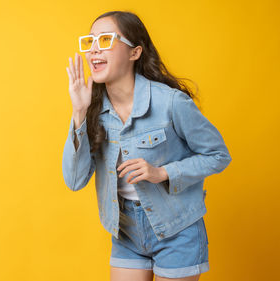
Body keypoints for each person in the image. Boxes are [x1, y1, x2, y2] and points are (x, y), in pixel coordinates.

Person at [62, 10, 232, 281]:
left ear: (135, 52)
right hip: (126, 232)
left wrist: (162, 173)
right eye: (90, 41)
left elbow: (218, 155)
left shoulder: (170, 102)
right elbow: (74, 180)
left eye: (105, 40)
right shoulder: (92, 108)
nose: (94, 50)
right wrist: (79, 113)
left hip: (178, 229)